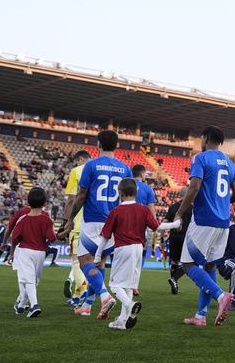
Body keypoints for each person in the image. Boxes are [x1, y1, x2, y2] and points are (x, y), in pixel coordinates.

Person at [172, 126, 235, 327]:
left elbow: (194, 187)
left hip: (204, 220)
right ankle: (201, 316)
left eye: (201, 138)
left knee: (187, 264)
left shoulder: (200, 158)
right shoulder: (229, 163)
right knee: (210, 265)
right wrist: (220, 201)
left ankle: (220, 296)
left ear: (206, 138)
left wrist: (179, 212)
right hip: (223, 222)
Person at [57, 130, 130, 319]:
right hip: (114, 223)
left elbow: (81, 195)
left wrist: (71, 217)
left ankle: (105, 296)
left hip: (93, 222)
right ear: (116, 145)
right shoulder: (125, 169)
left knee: (84, 262)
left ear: (98, 144)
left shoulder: (92, 166)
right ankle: (88, 305)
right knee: (100, 263)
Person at [100, 178, 172, 330]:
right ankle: (123, 319)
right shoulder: (143, 209)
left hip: (122, 249)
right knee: (129, 285)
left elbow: (105, 236)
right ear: (136, 192)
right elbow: (156, 226)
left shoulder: (116, 211)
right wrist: (174, 224)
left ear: (119, 193)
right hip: (139, 249)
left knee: (115, 285)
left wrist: (97, 255)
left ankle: (129, 304)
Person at [10, 187, 57, 319]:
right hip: (40, 253)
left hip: (25, 251)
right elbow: (52, 238)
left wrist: (12, 253)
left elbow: (14, 238)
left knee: (29, 280)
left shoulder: (23, 219)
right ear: (44, 203)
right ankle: (22, 305)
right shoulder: (47, 219)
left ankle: (34, 305)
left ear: (28, 202)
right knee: (34, 280)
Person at [58, 150, 91, 305]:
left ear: (80, 160)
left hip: (78, 223)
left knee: (77, 262)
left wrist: (65, 222)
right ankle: (76, 297)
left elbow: (72, 199)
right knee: (88, 262)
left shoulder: (77, 171)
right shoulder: (97, 169)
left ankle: (84, 292)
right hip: (96, 224)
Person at [164, 187, 192, 294]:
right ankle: (174, 279)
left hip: (174, 237)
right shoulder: (192, 208)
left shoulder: (172, 207)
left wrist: (163, 238)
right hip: (186, 238)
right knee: (187, 263)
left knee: (174, 261)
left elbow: (166, 222)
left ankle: (174, 286)